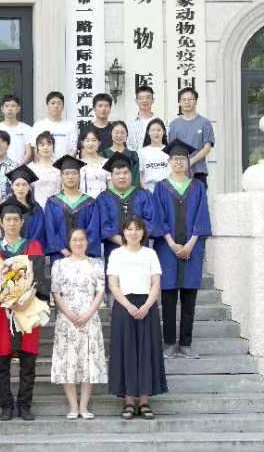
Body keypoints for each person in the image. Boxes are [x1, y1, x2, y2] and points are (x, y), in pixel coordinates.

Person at [0, 197, 46, 421]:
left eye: (15, 219)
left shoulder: (33, 247)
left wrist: (26, 299)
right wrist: (6, 299)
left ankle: (24, 405)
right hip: (2, 311)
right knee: (2, 359)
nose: (11, 223)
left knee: (28, 359)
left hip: (28, 307)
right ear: (1, 222)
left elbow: (38, 278)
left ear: (22, 222)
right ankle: (6, 405)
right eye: (7, 219)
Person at [153, 139, 212, 359]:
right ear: (169, 162)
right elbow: (158, 218)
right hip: (166, 248)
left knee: (189, 297)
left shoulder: (198, 187)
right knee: (168, 297)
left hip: (192, 249)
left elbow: (202, 217)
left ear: (188, 162)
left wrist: (190, 244)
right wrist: (171, 243)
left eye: (182, 159)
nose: (178, 162)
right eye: (175, 159)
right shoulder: (161, 188)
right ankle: (169, 343)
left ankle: (186, 344)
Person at [107, 217, 167, 420]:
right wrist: (128, 306)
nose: (133, 232)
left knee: (146, 352)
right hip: (124, 305)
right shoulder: (116, 254)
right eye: (129, 229)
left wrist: (147, 305)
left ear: (143, 233)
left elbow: (156, 283)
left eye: (137, 229)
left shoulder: (150, 254)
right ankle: (129, 401)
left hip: (147, 305)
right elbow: (113, 285)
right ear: (123, 232)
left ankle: (144, 401)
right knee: (126, 352)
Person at [50, 228, 107, 419]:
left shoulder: (96, 264)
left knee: (88, 362)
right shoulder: (59, 264)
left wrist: (89, 313)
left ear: (87, 242)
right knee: (68, 362)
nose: (78, 243)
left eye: (82, 239)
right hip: (66, 320)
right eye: (74, 239)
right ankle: (73, 407)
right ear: (69, 242)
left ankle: (84, 407)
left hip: (90, 318)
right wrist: (68, 313)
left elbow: (100, 291)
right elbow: (56, 291)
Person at [97, 152, 160, 269]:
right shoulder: (103, 198)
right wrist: (125, 243)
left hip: (140, 249)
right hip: (114, 249)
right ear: (111, 176)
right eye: (117, 173)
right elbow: (103, 226)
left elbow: (151, 221)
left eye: (125, 172)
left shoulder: (144, 195)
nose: (122, 176)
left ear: (131, 174)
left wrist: (134, 240)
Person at [44, 155, 101, 263]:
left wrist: (80, 252)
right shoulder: (52, 203)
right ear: (61, 176)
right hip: (60, 256)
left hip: (85, 257)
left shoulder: (90, 203)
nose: (70, 177)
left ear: (79, 176)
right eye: (66, 173)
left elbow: (93, 231)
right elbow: (50, 230)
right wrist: (64, 251)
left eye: (74, 173)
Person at [168, 87, 215, 187]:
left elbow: (207, 148)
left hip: (199, 172)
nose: (187, 102)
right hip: (179, 173)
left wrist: (190, 162)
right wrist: (182, 165)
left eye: (190, 99)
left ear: (196, 101)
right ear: (180, 102)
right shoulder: (173, 125)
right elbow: (172, 150)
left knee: (199, 197)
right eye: (184, 100)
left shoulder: (204, 123)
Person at [6, 165, 46, 247]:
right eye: (17, 185)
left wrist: (27, 249)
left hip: (32, 250)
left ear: (29, 187)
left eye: (24, 185)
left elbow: (39, 233)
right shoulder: (5, 208)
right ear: (12, 187)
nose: (21, 188)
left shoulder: (36, 209)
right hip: (10, 251)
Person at [32, 91, 78, 161]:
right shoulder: (38, 125)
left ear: (63, 106)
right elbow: (35, 149)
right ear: (47, 105)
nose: (56, 106)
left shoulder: (71, 125)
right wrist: (46, 164)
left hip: (65, 165)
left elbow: (74, 149)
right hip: (45, 165)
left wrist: (64, 164)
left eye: (59, 103)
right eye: (53, 103)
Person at [0, 94, 33, 166]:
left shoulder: (27, 129)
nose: (10, 109)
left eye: (13, 106)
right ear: (2, 109)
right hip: (1, 168)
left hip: (21, 168)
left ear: (18, 109)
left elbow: (29, 152)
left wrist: (19, 167)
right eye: (7, 106)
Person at [28, 131, 61, 209]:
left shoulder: (59, 168)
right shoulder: (31, 168)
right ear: (37, 148)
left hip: (56, 209)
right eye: (42, 145)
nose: (45, 147)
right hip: (37, 209)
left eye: (49, 144)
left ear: (53, 147)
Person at [102, 121, 141, 187]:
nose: (119, 135)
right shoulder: (103, 154)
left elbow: (135, 179)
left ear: (126, 135)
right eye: (116, 132)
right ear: (110, 134)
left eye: (122, 133)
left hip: (130, 192)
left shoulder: (133, 155)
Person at [139, 119, 170, 193]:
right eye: (152, 130)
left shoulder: (169, 150)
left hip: (167, 191)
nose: (156, 133)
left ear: (164, 132)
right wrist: (145, 190)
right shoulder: (142, 152)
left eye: (159, 130)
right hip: (148, 191)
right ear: (148, 132)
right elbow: (140, 174)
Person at [78, 127, 109, 198]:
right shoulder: (77, 164)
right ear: (82, 143)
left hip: (103, 203)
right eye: (87, 140)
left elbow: (111, 188)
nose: (90, 143)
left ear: (99, 143)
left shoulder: (106, 162)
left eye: (94, 140)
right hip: (84, 203)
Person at [127, 85, 158, 153]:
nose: (144, 100)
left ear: (153, 100)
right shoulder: (130, 125)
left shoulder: (161, 123)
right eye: (141, 98)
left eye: (148, 98)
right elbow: (128, 146)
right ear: (136, 101)